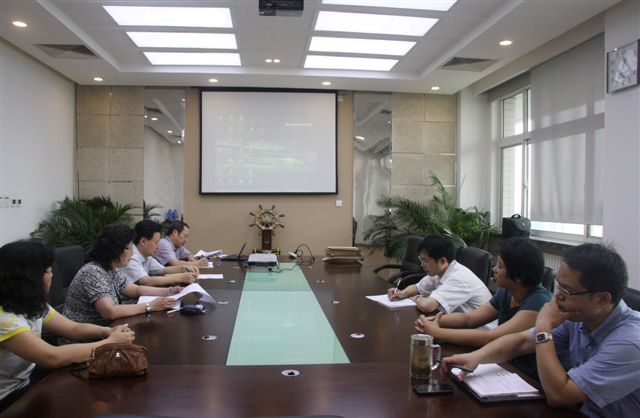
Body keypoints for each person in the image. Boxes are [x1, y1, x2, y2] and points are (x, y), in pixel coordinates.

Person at [442, 244, 640, 418]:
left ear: (602, 299)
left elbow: (559, 395)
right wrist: (475, 357)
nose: (557, 297)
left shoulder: (629, 343)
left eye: (567, 291)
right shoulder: (580, 316)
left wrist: (544, 326)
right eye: (559, 286)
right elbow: (522, 342)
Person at [0, 240, 135, 412]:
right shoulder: (5, 318)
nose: (51, 276)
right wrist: (109, 343)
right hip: (8, 397)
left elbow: (72, 329)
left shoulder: (32, 304)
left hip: (27, 380)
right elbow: (52, 357)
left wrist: (106, 331)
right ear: (29, 277)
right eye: (47, 271)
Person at [415, 237, 554, 378]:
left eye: (499, 266)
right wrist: (434, 321)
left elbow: (491, 337)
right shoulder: (507, 292)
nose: (494, 269)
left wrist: (437, 332)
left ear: (518, 276)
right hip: (504, 362)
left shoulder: (539, 302)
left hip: (530, 375)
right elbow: (469, 319)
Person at [64, 224, 179, 326]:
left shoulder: (111, 269)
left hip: (107, 330)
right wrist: (150, 306)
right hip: (87, 338)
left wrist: (170, 291)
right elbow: (110, 311)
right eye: (129, 248)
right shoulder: (93, 272)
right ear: (116, 249)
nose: (132, 253)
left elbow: (136, 290)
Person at [387, 236, 494, 322]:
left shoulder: (458, 278)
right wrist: (402, 293)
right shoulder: (439, 271)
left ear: (442, 261)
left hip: (481, 333)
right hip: (461, 326)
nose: (422, 264)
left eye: (425, 260)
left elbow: (427, 306)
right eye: (421, 259)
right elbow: (417, 287)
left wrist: (415, 297)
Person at [122, 219, 199, 287]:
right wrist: (180, 278)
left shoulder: (146, 256)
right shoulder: (131, 256)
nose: (158, 247)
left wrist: (184, 269)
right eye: (156, 243)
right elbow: (146, 281)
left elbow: (162, 270)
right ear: (143, 241)